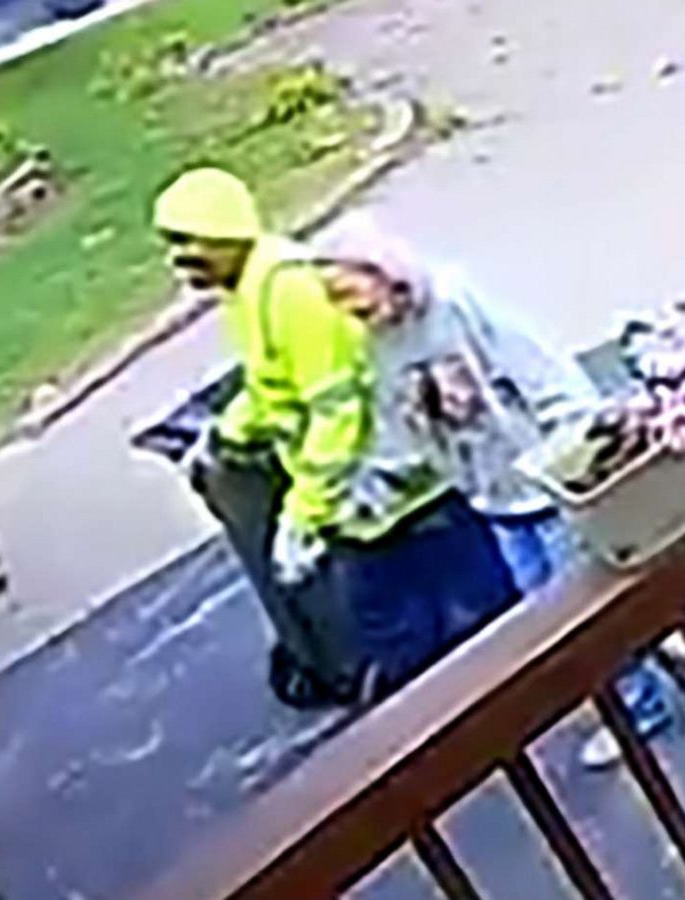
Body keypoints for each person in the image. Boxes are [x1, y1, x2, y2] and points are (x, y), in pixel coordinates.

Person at [312, 215, 685, 767]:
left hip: (548, 490)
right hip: (494, 497)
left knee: (578, 616)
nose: (349, 312)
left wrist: (582, 457)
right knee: (560, 610)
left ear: (383, 273)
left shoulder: (457, 306)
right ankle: (654, 653)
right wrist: (362, 490)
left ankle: (641, 708)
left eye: (350, 294)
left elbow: (545, 376)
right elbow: (400, 427)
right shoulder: (381, 341)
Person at [151, 168, 519, 702]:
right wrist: (229, 432)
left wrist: (306, 513)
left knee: (447, 605)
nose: (179, 261)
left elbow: (336, 410)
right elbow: (275, 385)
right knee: (419, 613)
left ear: (225, 237)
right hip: (372, 497)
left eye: (188, 244)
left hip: (388, 484)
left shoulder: (287, 294)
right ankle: (466, 707)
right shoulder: (250, 292)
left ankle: (494, 702)